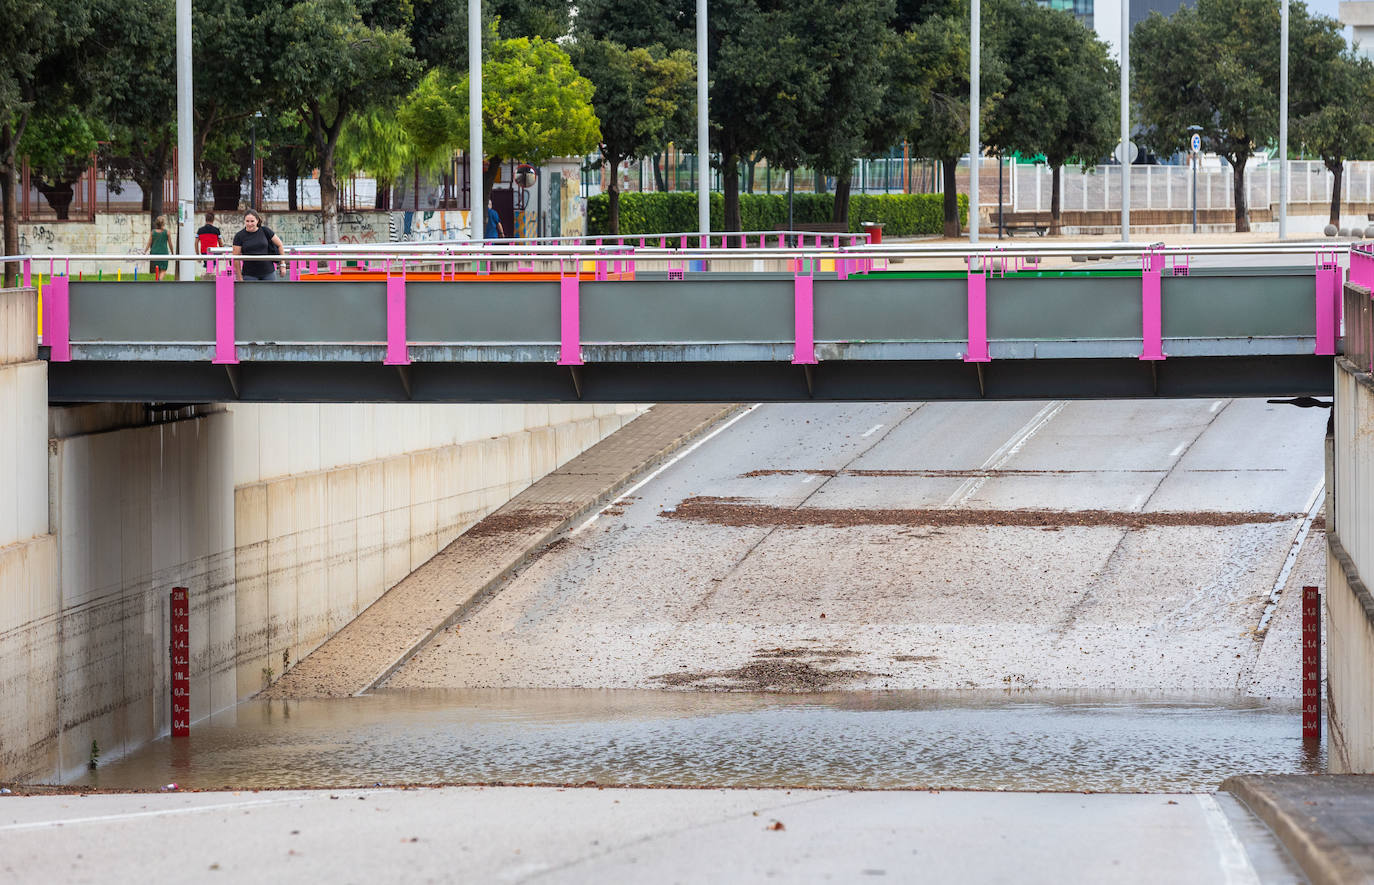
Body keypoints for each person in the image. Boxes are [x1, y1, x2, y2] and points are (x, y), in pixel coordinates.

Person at [232, 209, 285, 281]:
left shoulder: (265, 231)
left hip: (268, 273)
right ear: (244, 221)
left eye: (252, 221)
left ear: (257, 221)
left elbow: (280, 245)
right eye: (247, 221)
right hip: (249, 274)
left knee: (271, 292)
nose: (249, 224)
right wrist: (239, 277)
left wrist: (282, 265)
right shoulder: (239, 236)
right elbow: (236, 258)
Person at [196, 211, 222, 277]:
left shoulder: (200, 230)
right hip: (214, 252)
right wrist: (221, 252)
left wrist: (198, 255)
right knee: (211, 269)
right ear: (213, 220)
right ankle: (209, 280)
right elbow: (220, 243)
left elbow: (196, 243)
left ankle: (208, 279)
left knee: (209, 268)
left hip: (204, 252)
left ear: (205, 219)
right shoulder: (216, 230)